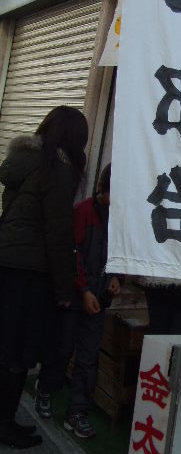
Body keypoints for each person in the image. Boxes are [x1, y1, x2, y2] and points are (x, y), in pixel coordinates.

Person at [0, 106, 88, 449]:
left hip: (7, 263)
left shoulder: (23, 162)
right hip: (30, 273)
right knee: (19, 350)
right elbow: (58, 233)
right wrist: (66, 289)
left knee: (6, 346)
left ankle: (4, 420)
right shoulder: (57, 170)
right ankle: (4, 424)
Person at [35, 163, 121, 438]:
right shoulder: (83, 211)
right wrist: (83, 290)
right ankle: (46, 389)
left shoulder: (121, 220)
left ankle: (77, 412)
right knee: (62, 348)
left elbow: (120, 255)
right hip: (75, 297)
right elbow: (74, 255)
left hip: (99, 299)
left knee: (88, 357)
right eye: (112, 194)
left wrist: (118, 278)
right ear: (101, 188)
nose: (115, 202)